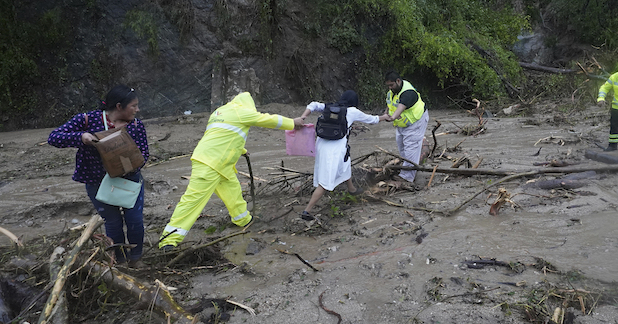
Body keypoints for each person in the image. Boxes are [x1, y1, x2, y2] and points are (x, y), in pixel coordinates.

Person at [159, 92, 303, 250]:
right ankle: (168, 240)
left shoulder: (220, 112)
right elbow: (266, 119)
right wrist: (292, 123)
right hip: (211, 163)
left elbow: (224, 136)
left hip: (217, 162)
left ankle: (243, 220)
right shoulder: (241, 112)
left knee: (233, 192)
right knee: (192, 201)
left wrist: (241, 150)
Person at [48, 85, 149, 268]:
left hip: (129, 180)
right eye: (133, 106)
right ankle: (119, 260)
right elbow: (54, 137)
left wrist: (130, 165)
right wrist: (81, 137)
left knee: (134, 220)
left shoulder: (136, 125)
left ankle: (136, 258)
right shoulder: (88, 120)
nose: (137, 110)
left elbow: (144, 155)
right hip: (97, 181)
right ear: (119, 106)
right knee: (112, 222)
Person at [299, 90, 390, 220]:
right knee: (325, 182)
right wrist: (384, 117)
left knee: (345, 163)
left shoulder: (329, 107)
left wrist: (303, 117)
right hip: (334, 149)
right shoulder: (352, 111)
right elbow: (372, 120)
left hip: (321, 145)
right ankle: (307, 211)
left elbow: (312, 104)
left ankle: (351, 189)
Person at [383, 70, 429, 185]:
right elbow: (390, 103)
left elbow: (400, 107)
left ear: (398, 81)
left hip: (416, 122)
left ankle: (407, 177)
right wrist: (385, 113)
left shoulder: (408, 93)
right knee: (401, 145)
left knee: (411, 147)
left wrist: (392, 117)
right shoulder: (393, 90)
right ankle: (408, 167)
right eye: (388, 85)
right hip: (403, 123)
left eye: (391, 85)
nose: (390, 88)